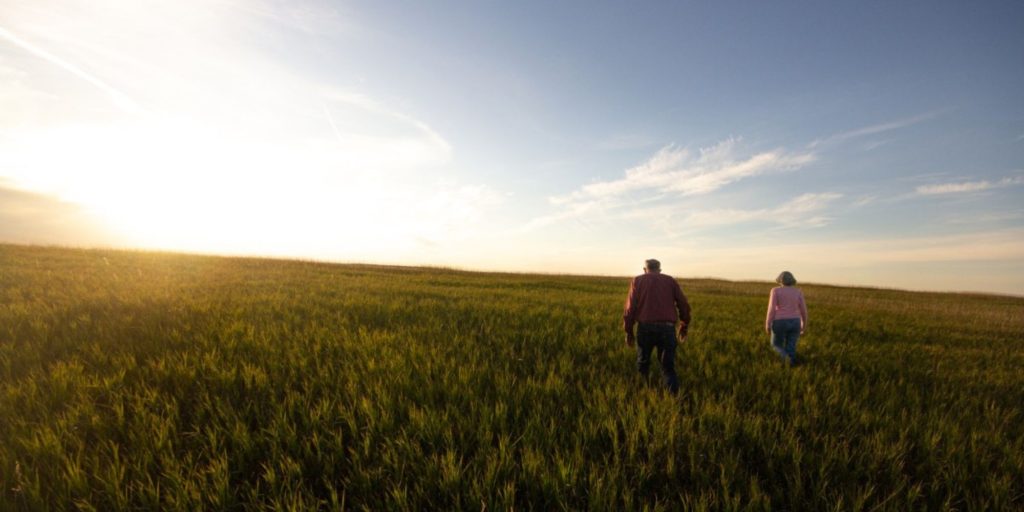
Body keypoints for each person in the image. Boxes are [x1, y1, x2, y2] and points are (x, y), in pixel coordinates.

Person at [623, 259, 691, 395]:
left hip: (645, 328)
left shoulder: (637, 280)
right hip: (667, 329)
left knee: (643, 365)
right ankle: (674, 400)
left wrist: (629, 331)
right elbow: (683, 305)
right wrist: (684, 325)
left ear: (644, 269)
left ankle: (642, 396)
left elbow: (630, 310)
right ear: (659, 270)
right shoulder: (670, 281)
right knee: (668, 368)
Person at [765, 270, 808, 367]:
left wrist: (767, 324)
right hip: (796, 322)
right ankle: (792, 365)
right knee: (791, 347)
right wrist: (803, 325)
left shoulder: (775, 290)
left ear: (780, 280)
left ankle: (787, 361)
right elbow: (804, 311)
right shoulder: (798, 292)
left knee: (776, 345)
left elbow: (771, 309)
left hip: (780, 322)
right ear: (792, 280)